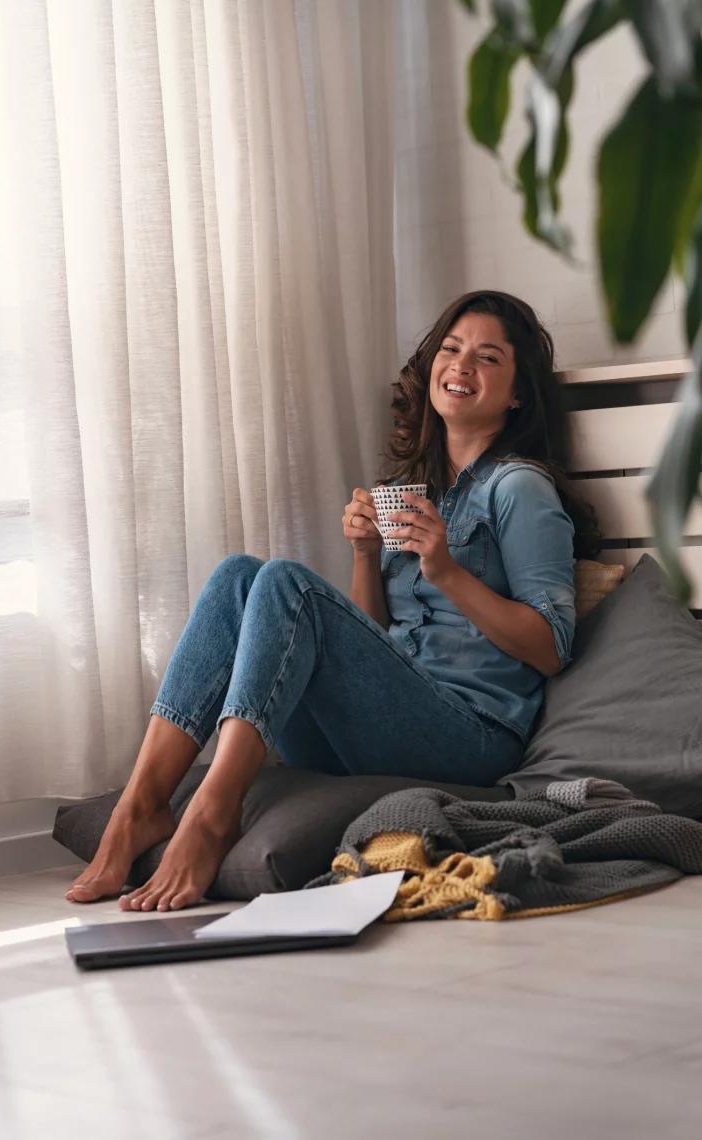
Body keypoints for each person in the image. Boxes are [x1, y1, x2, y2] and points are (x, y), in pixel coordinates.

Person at [66, 289, 599, 912]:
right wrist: (366, 555)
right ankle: (140, 808)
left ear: (516, 394)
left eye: (487, 358)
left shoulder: (521, 489)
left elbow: (551, 649)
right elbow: (373, 638)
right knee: (241, 574)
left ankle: (212, 815)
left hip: (469, 735)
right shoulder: (414, 489)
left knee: (288, 583)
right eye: (451, 350)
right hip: (380, 724)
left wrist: (446, 569)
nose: (461, 366)